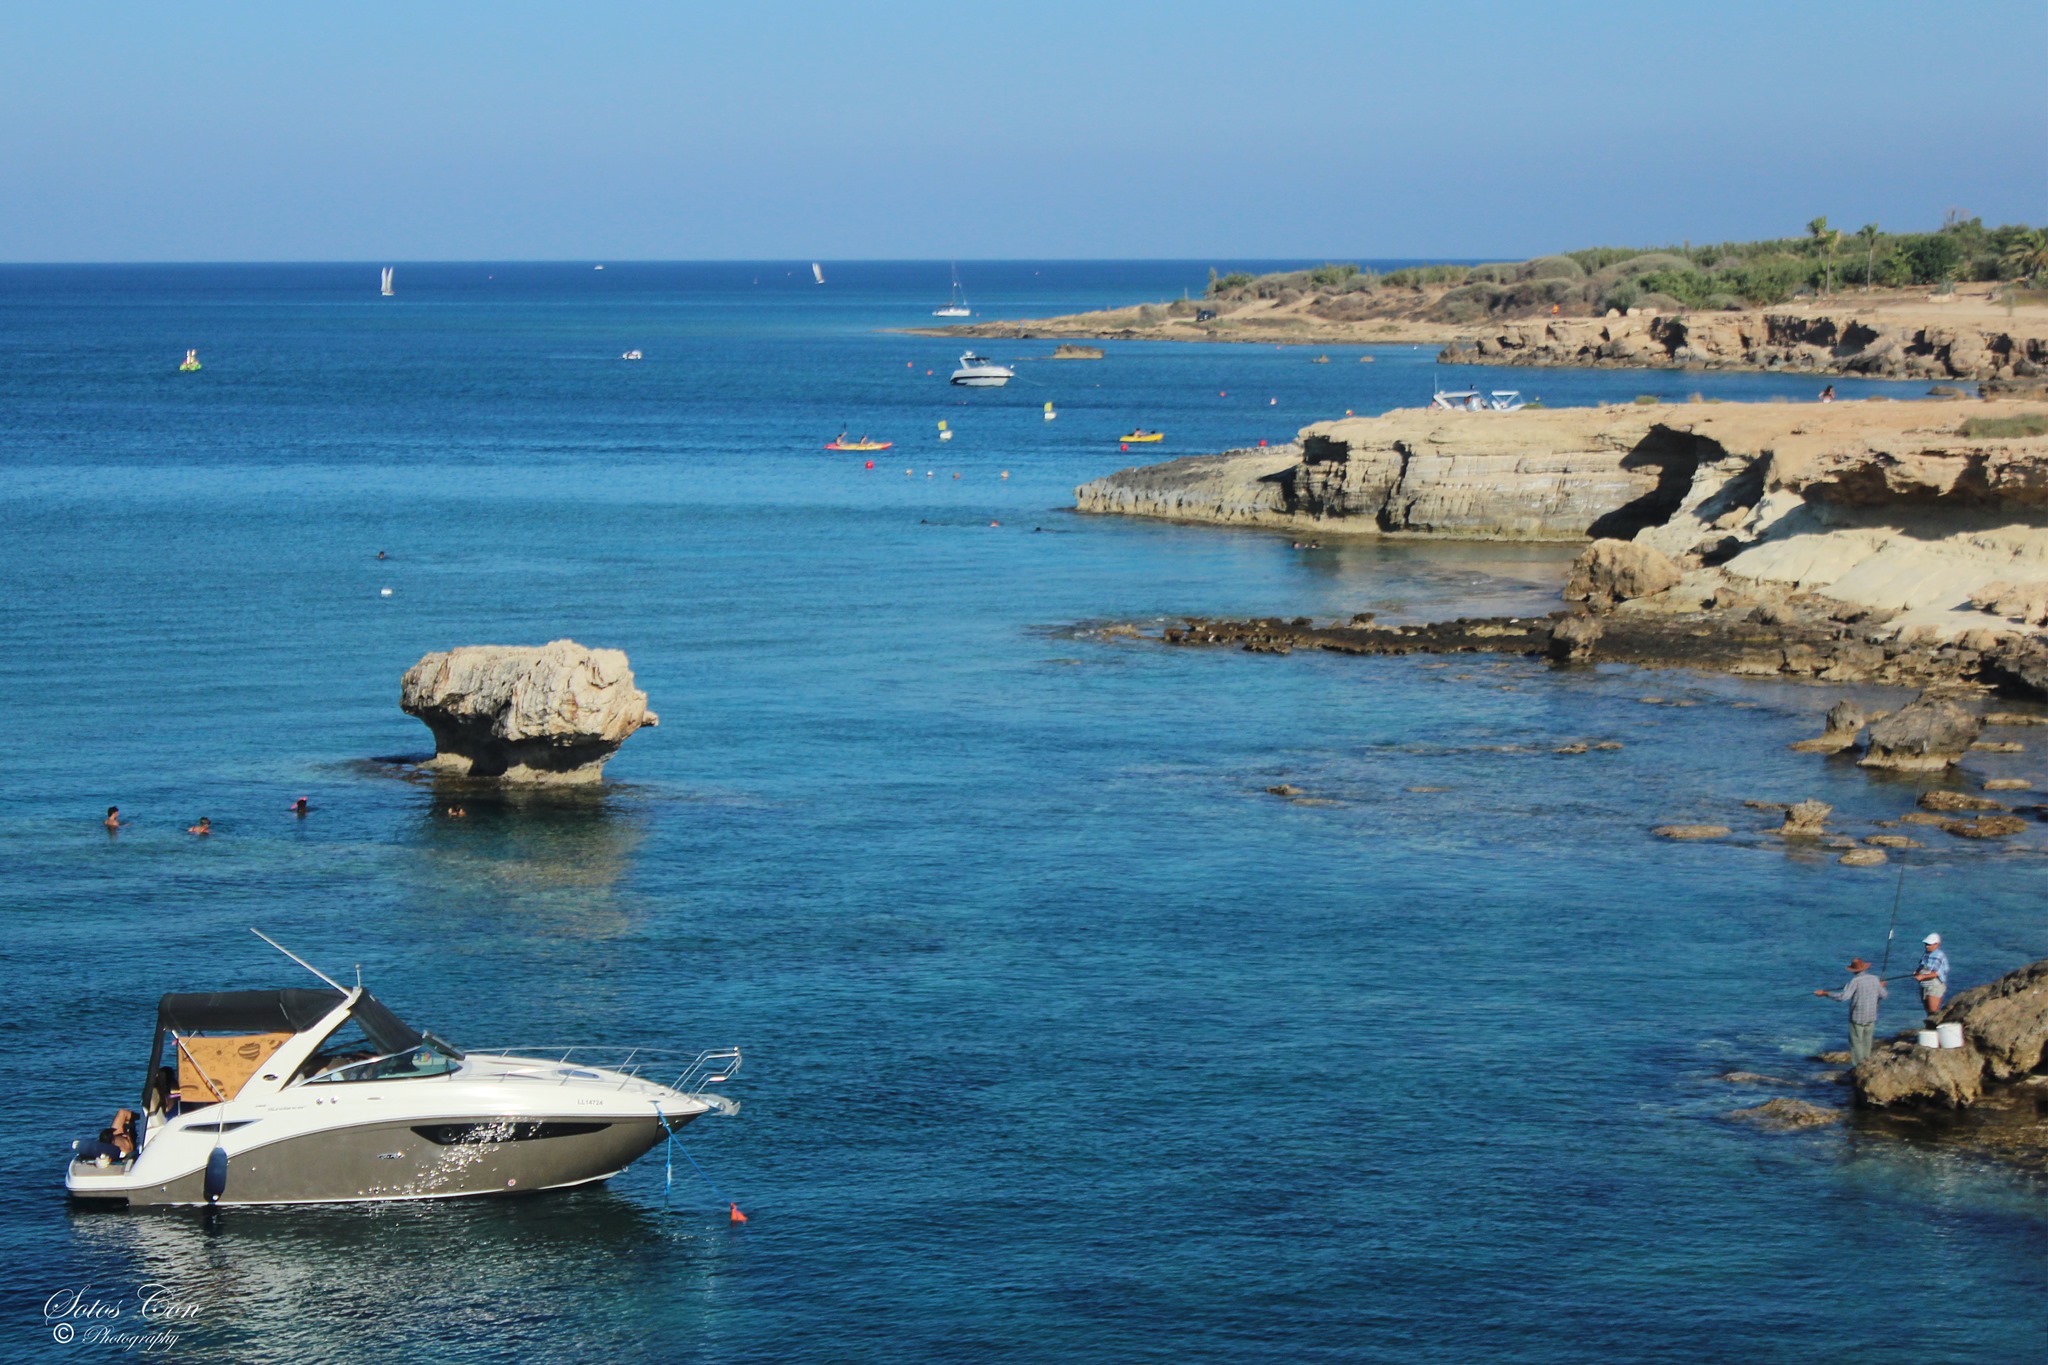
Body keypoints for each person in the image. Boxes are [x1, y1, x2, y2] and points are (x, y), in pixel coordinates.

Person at [1815, 956, 1887, 1065]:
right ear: (1864, 967)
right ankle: (1867, 1063)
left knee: (1856, 1043)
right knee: (1867, 1041)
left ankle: (1858, 1065)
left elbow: (1843, 997)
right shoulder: (1874, 979)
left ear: (1854, 970)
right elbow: (1884, 995)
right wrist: (1880, 986)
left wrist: (1826, 994)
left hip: (1857, 1018)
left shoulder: (1855, 981)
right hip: (1872, 1017)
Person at [1913, 933, 1950, 1018]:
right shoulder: (1926, 954)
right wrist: (1917, 972)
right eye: (1926, 944)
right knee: (1928, 1010)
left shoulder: (1938, 955)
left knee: (1933, 1011)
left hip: (1934, 985)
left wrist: (1922, 977)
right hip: (1924, 985)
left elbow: (1935, 973)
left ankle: (1935, 1027)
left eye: (1929, 944)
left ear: (1937, 944)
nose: (1927, 946)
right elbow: (1922, 965)